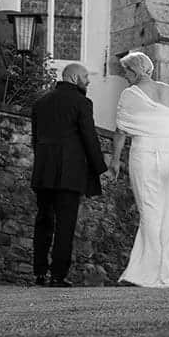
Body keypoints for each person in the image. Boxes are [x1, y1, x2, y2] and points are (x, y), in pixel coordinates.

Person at [105, 52, 169, 288]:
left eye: (126, 72)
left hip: (144, 154)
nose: (125, 76)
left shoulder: (130, 94)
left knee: (150, 211)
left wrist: (115, 161)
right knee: (162, 213)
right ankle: (166, 272)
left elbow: (121, 130)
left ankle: (148, 273)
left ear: (134, 71)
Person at [30, 63, 108, 287]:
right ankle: (58, 275)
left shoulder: (40, 103)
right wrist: (101, 168)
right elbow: (89, 138)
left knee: (43, 221)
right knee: (65, 224)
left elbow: (35, 139)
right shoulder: (82, 103)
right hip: (69, 173)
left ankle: (39, 273)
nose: (88, 81)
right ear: (74, 78)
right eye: (85, 76)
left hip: (44, 171)